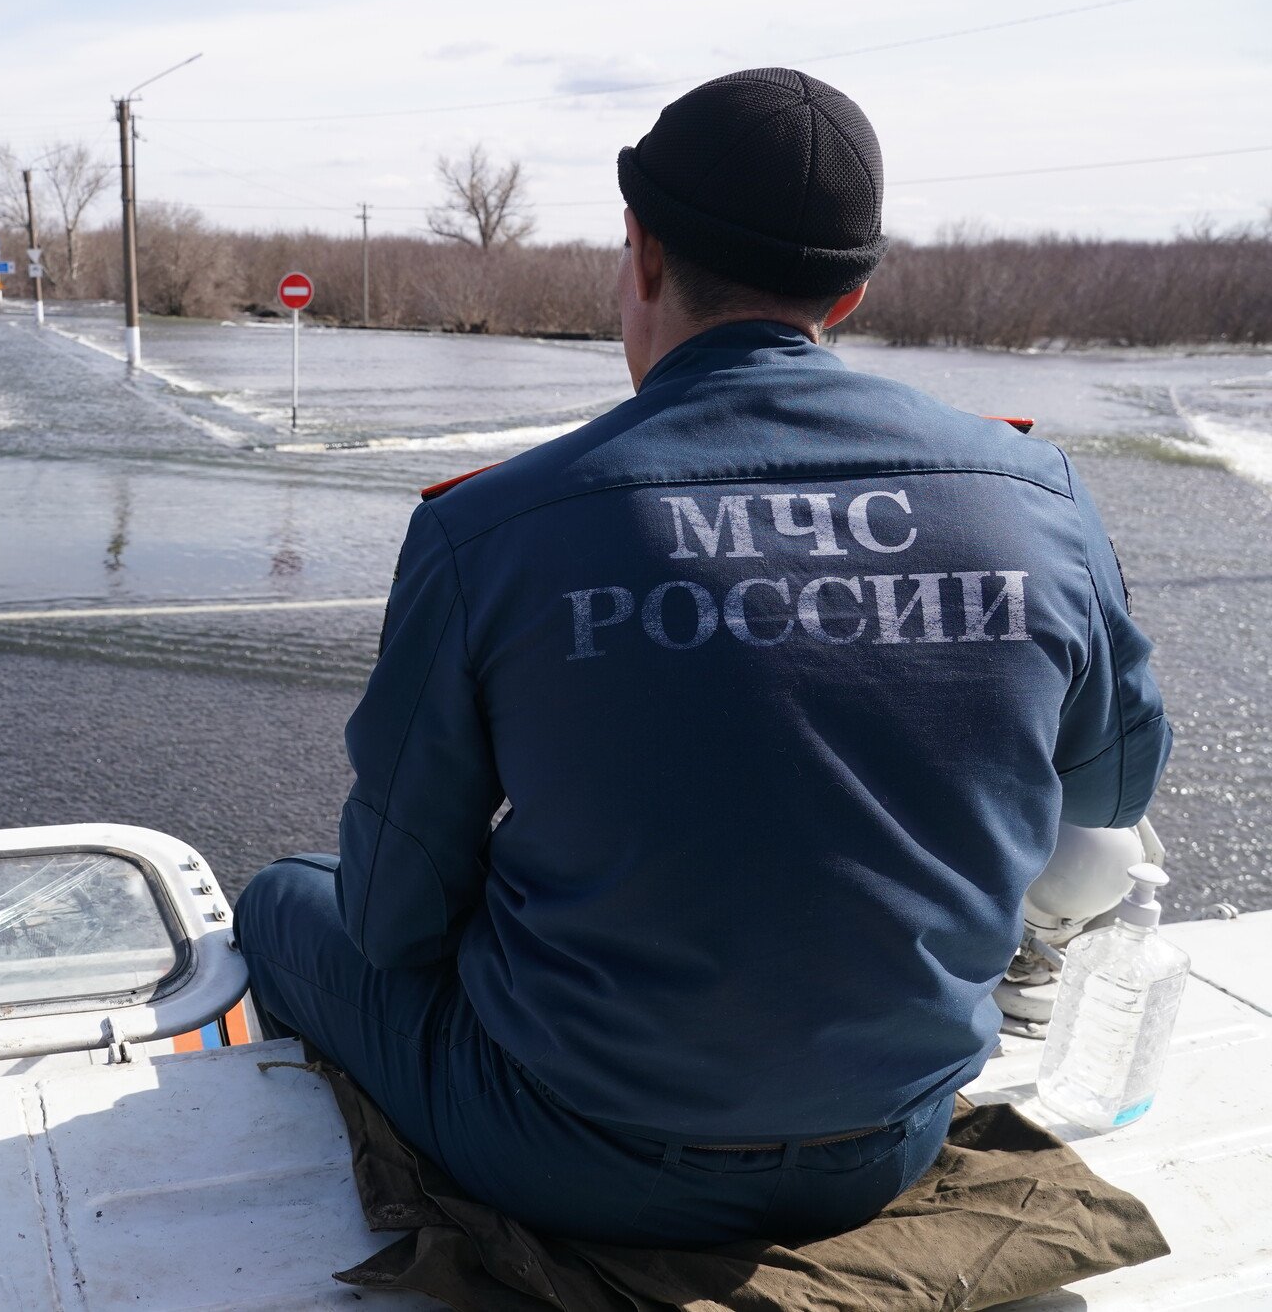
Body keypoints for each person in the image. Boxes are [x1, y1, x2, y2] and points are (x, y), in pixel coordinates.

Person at [234, 67, 1170, 1247]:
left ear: (639, 253)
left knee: (282, 899)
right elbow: (1111, 791)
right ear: (849, 295)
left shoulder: (492, 528)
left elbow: (392, 920)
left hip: (562, 1152)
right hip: (888, 1140)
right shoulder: (1033, 494)